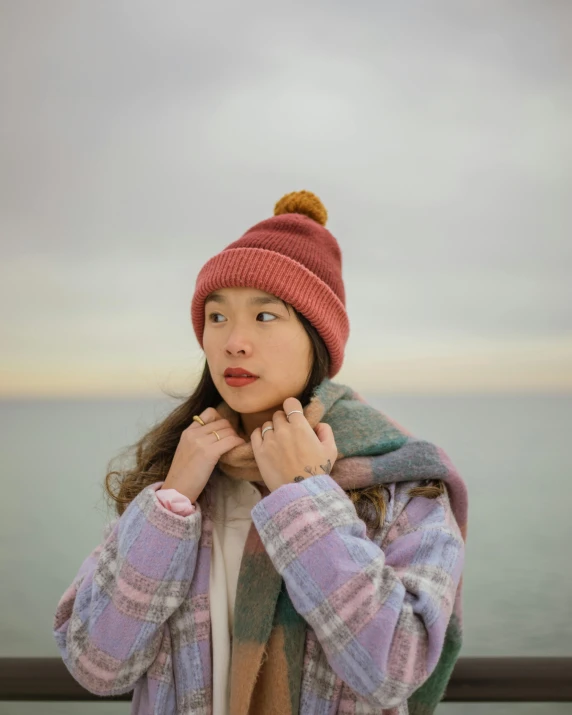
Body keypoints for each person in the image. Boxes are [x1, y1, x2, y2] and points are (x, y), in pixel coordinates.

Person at [53, 190, 468, 715]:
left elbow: (393, 670)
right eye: (217, 317)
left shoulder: (403, 483)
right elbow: (95, 664)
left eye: (266, 316)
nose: (234, 342)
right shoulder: (182, 480)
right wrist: (173, 500)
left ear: (316, 338)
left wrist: (304, 499)